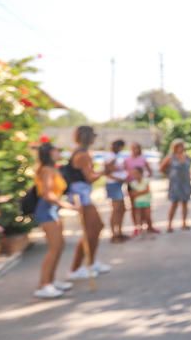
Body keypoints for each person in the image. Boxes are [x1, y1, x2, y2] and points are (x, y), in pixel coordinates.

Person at [65, 125, 112, 280]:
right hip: (81, 195)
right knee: (90, 230)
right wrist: (105, 171)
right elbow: (89, 178)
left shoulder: (81, 153)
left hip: (83, 193)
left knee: (96, 227)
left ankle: (90, 262)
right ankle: (75, 268)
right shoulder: (83, 155)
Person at [32, 143, 76, 299]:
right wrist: (67, 205)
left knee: (59, 246)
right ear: (50, 153)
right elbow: (47, 194)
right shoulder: (46, 170)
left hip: (53, 210)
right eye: (57, 150)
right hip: (47, 211)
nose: (59, 152)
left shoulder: (52, 169)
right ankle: (44, 285)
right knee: (54, 248)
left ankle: (50, 281)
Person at [160, 138, 191, 232]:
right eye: (178, 146)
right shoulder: (170, 157)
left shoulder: (187, 157)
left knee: (185, 203)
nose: (180, 148)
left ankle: (184, 223)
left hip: (185, 183)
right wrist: (169, 175)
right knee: (174, 204)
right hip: (175, 184)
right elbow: (161, 168)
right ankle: (169, 225)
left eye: (181, 146)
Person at [124, 142, 155, 237]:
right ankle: (136, 227)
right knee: (134, 207)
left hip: (141, 184)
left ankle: (149, 226)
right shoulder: (127, 160)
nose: (134, 150)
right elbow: (124, 171)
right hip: (131, 184)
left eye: (136, 148)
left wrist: (144, 179)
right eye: (133, 148)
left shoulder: (143, 159)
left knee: (145, 207)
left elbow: (149, 171)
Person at [104, 139, 129, 243]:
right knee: (116, 209)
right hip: (113, 184)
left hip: (119, 184)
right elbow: (107, 171)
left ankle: (119, 231)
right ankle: (114, 234)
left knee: (122, 209)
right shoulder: (110, 156)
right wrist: (118, 179)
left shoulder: (119, 156)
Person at [127, 167, 155, 234]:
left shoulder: (146, 180)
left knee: (148, 215)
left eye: (137, 173)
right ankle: (139, 229)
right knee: (139, 216)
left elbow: (147, 190)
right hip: (137, 202)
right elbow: (131, 194)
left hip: (146, 201)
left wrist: (137, 193)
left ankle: (150, 227)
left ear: (141, 173)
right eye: (134, 173)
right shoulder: (131, 183)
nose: (135, 175)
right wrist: (142, 192)